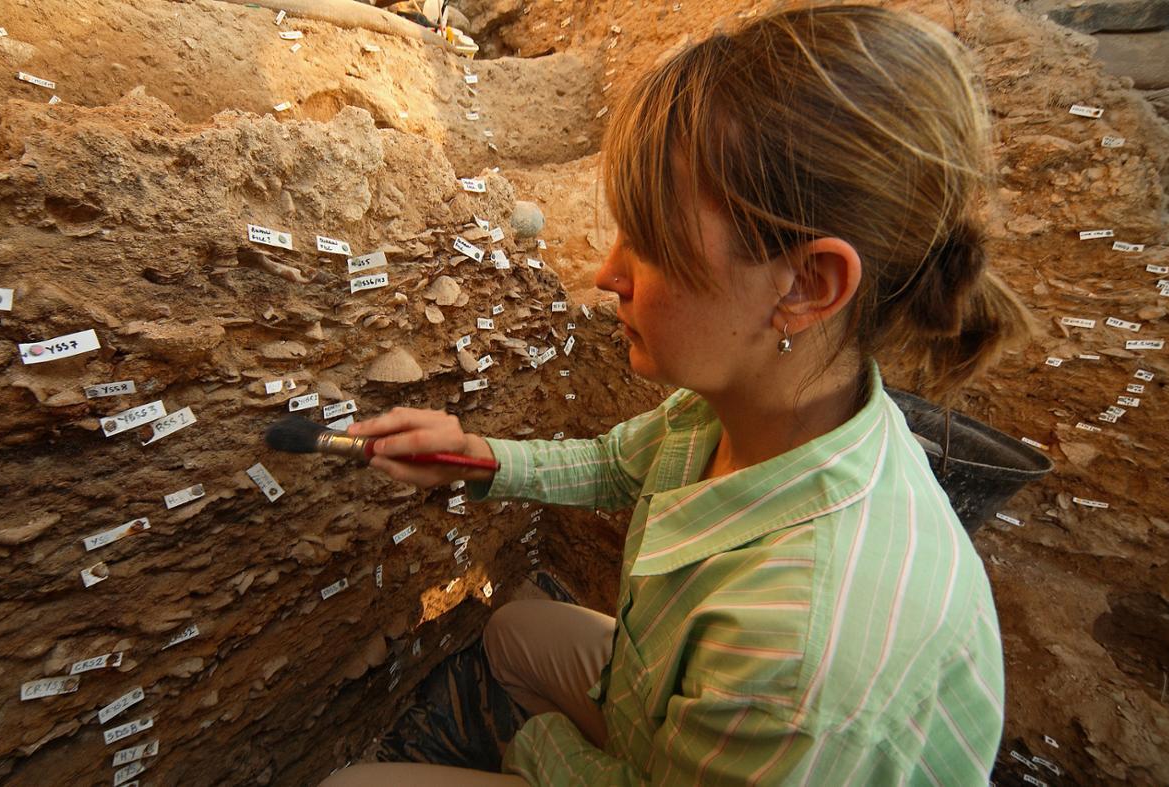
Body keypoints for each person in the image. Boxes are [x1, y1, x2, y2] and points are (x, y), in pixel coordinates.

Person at [322, 4, 1028, 785]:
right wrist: (475, 458)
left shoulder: (793, 658)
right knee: (516, 632)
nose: (606, 274)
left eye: (650, 243)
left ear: (807, 284)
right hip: (668, 706)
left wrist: (544, 751)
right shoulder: (768, 397)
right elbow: (620, 464)